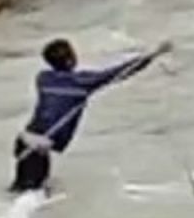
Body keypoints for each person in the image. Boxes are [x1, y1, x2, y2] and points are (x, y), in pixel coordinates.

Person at [10, 38, 172, 193]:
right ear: (70, 60)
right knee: (31, 197)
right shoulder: (83, 82)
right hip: (38, 148)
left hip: (25, 142)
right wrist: (154, 54)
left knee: (21, 192)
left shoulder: (43, 78)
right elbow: (120, 72)